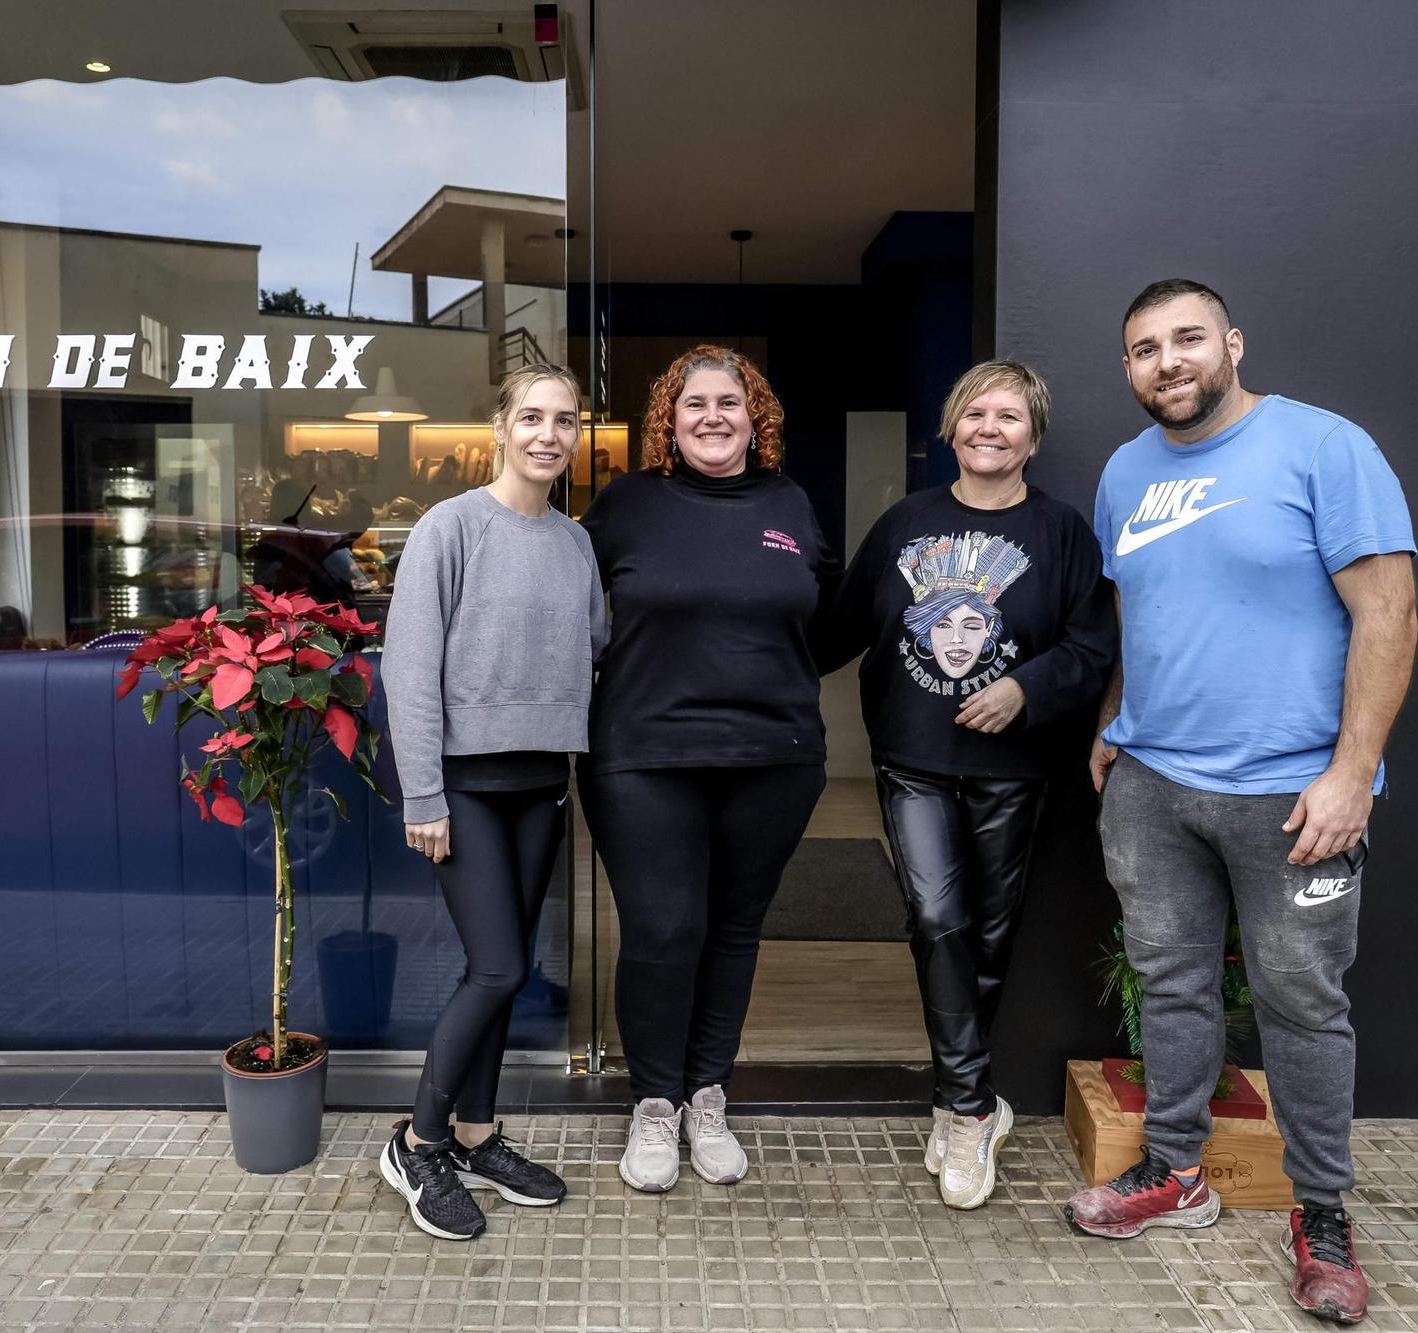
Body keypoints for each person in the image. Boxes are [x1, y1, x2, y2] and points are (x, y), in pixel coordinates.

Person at [1066, 280, 1417, 1327]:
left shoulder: (1323, 447)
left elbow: (1387, 610)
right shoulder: (1125, 472)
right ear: (1125, 369)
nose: (1164, 362)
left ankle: (1320, 1214)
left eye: (1183, 340)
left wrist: (1351, 770)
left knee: (1301, 1004)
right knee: (1169, 984)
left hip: (1291, 793)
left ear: (1229, 343)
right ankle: (1173, 1174)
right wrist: (1111, 722)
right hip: (1152, 785)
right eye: (1141, 350)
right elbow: (1138, 609)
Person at [821, 361, 1115, 1209]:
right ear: (951, 429)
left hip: (1017, 766)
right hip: (913, 757)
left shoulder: (1061, 534)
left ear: (1035, 436)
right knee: (937, 918)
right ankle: (968, 1102)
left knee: (987, 936)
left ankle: (968, 1104)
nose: (991, 427)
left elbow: (1093, 645)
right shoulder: (905, 523)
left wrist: (1026, 687)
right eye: (975, 413)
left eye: (1010, 416)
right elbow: (838, 627)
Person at [579, 345, 838, 1193]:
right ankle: (654, 1100)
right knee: (661, 929)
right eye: (695, 403)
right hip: (644, 753)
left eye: (730, 401)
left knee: (733, 927)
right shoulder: (626, 505)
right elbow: (565, 606)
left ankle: (706, 1093)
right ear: (670, 418)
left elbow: (821, 617)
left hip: (773, 756)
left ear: (754, 415)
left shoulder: (791, 503)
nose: (713, 416)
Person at [377, 364, 607, 1241]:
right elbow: (409, 668)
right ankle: (418, 1141)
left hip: (543, 783)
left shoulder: (576, 542)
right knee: (500, 967)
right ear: (501, 428)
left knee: (505, 974)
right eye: (534, 417)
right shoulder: (452, 526)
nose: (550, 434)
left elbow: (593, 643)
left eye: (567, 420)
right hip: (464, 789)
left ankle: (476, 1133)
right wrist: (424, 793)